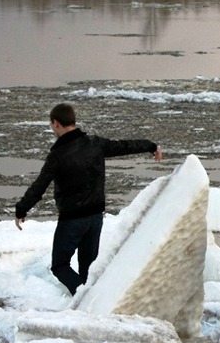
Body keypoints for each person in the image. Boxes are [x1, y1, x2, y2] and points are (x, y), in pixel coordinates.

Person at [15, 102, 162, 295]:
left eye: (52, 125)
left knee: (60, 266)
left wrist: (21, 209)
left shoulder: (57, 155)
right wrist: (150, 146)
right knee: (88, 270)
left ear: (56, 123)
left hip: (72, 220)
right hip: (95, 218)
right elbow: (125, 145)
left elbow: (39, 186)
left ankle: (89, 299)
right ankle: (90, 305)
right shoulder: (95, 144)